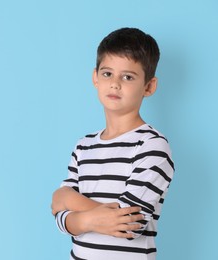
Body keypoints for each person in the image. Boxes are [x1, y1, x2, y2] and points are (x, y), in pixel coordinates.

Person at [51, 28, 175, 260]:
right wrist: (76, 208)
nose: (115, 83)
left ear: (149, 86)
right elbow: (59, 215)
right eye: (108, 74)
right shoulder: (84, 146)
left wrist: (72, 203)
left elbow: (129, 227)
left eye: (128, 77)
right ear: (95, 77)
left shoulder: (152, 146)